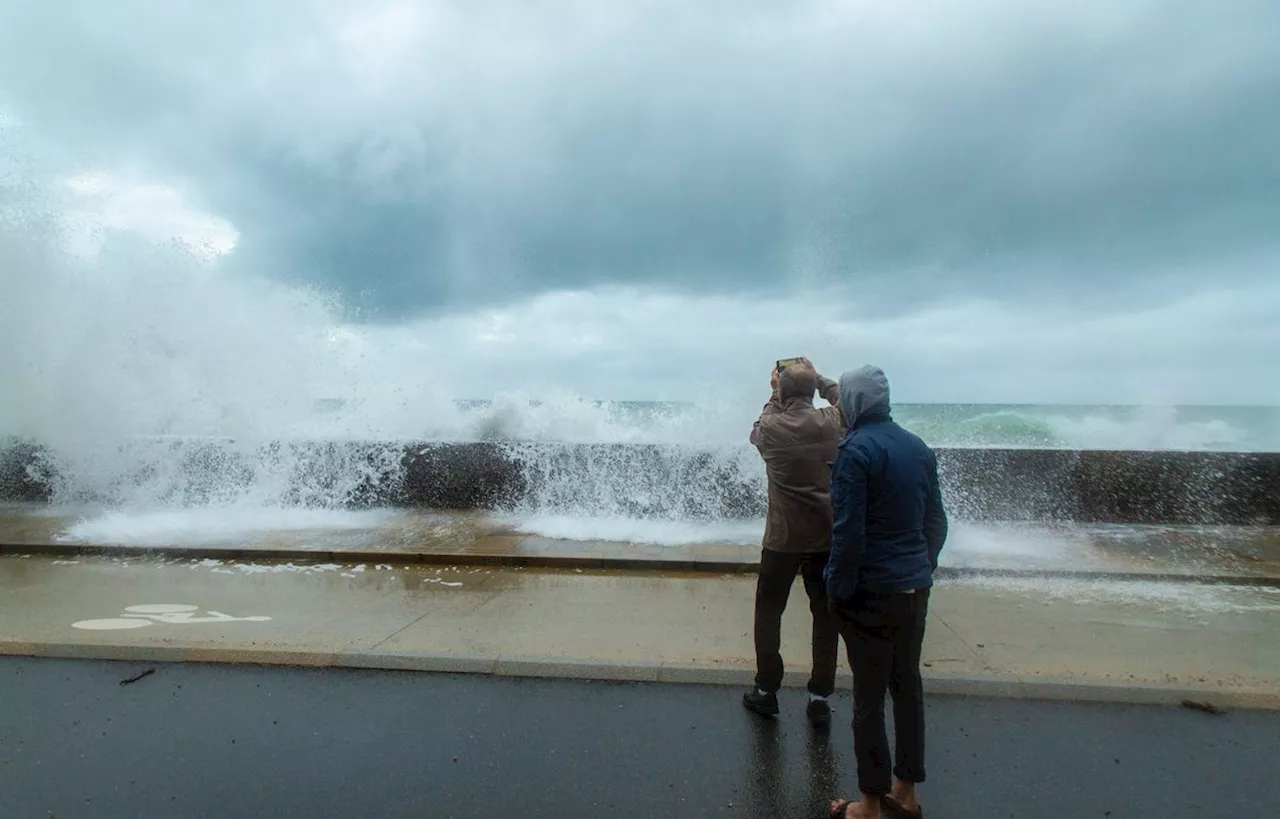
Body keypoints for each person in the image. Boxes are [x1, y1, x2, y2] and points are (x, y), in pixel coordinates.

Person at [825, 365, 948, 819]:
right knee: (907, 688)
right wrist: (921, 566)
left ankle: (870, 805)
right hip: (914, 589)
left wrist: (837, 590)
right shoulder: (918, 447)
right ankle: (906, 792)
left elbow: (848, 534)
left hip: (871, 593)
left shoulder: (855, 451)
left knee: (868, 699)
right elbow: (936, 523)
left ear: (854, 402)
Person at [742, 357, 845, 727]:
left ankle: (767, 690)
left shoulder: (770, 428)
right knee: (824, 616)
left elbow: (757, 429)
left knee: (769, 613)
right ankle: (819, 696)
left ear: (782, 391)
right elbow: (846, 402)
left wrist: (775, 390)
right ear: (813, 388)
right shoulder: (832, 422)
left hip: (782, 540)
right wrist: (819, 379)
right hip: (825, 538)